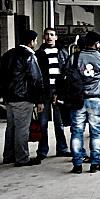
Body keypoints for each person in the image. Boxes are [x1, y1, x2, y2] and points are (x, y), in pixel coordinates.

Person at [67, 31, 100, 174]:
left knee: (77, 132)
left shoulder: (74, 57)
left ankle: (77, 164)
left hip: (78, 99)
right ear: (97, 43)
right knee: (95, 133)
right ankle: (95, 163)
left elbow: (65, 73)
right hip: (96, 98)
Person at [2, 29, 45, 167]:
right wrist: (40, 99)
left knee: (11, 127)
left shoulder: (9, 54)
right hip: (23, 97)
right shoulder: (29, 56)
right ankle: (22, 158)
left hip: (9, 97)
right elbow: (36, 79)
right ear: (31, 41)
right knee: (22, 128)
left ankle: (9, 155)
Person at [34, 27, 70, 160]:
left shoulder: (62, 53)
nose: (49, 37)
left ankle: (62, 148)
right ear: (43, 37)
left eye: (52, 35)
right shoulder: (38, 54)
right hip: (44, 91)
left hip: (59, 91)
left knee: (58, 122)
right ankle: (42, 150)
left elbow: (67, 71)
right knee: (42, 122)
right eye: (47, 35)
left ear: (56, 37)